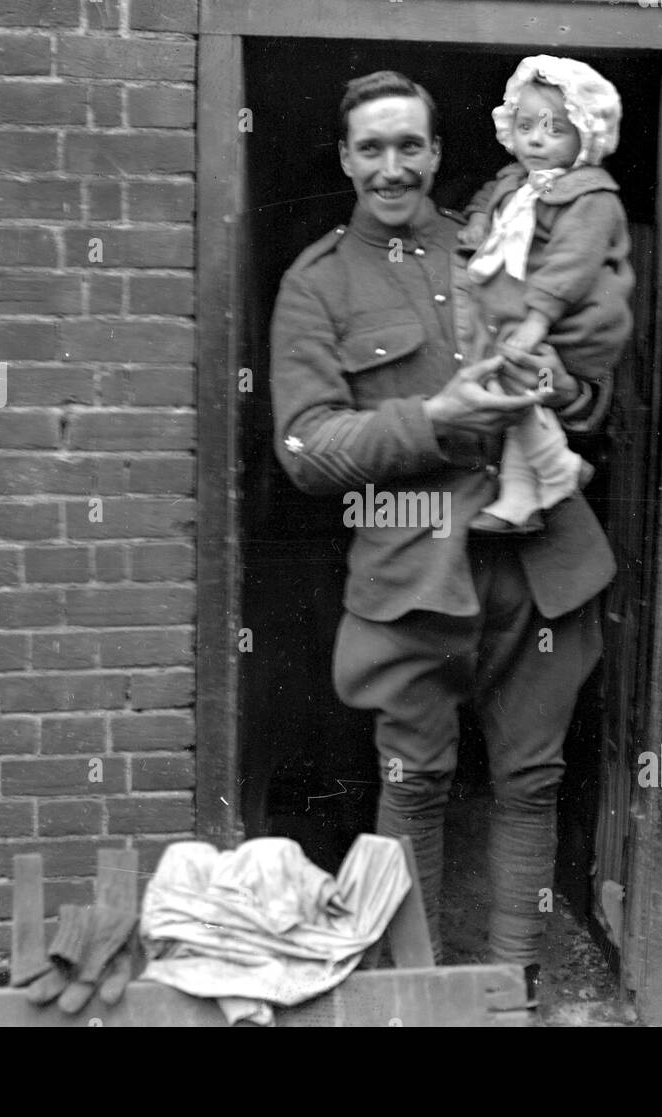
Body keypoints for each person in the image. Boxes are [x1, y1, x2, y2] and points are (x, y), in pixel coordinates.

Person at [269, 70, 631, 1001]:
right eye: (373, 149)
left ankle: (517, 989)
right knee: (415, 781)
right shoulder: (316, 283)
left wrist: (562, 391)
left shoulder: (499, 239)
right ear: (347, 158)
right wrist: (433, 416)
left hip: (537, 565)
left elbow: (592, 396)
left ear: (436, 151)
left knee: (531, 781)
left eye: (412, 145)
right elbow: (309, 450)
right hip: (410, 572)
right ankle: (419, 997)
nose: (394, 167)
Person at [457, 55, 632, 534]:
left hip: (574, 318)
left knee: (511, 379)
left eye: (555, 129)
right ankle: (520, 498)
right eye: (526, 124)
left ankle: (561, 469)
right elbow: (490, 198)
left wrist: (536, 321)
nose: (535, 139)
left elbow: (571, 265)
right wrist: (477, 220)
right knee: (518, 395)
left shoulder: (591, 197)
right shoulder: (516, 181)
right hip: (530, 314)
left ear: (585, 137)